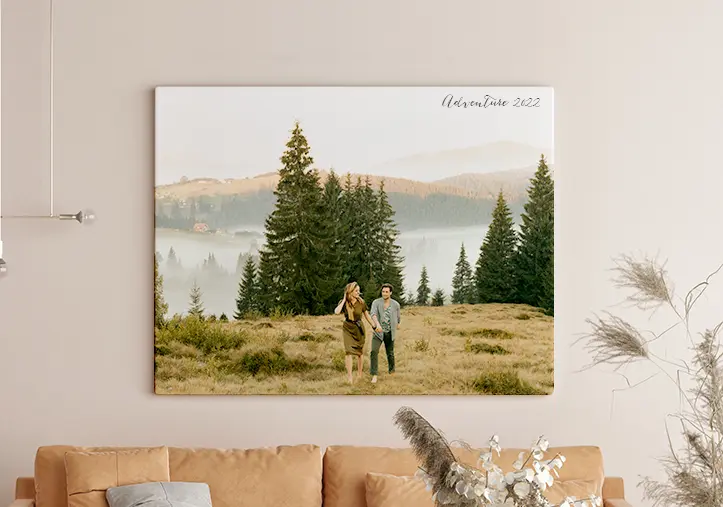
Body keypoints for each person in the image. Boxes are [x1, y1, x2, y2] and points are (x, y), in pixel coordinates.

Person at [334, 282, 378, 384]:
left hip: (359, 329)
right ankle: (349, 377)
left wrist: (374, 326)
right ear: (350, 291)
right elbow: (336, 311)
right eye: (356, 291)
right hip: (348, 328)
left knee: (359, 353)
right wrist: (344, 299)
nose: (358, 292)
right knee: (348, 352)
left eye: (359, 290)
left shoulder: (361, 302)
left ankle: (359, 374)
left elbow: (367, 316)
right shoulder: (344, 302)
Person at [369, 283, 401, 384]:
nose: (385, 293)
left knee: (390, 353)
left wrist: (397, 324)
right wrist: (377, 325)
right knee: (374, 351)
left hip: (390, 333)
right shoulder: (376, 302)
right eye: (383, 291)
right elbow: (373, 314)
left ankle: (392, 371)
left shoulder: (396, 304)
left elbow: (398, 317)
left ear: (390, 293)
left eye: (387, 292)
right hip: (378, 332)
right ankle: (374, 374)